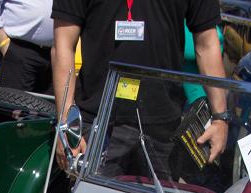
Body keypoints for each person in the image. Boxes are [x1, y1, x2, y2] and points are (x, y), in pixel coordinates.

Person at [50, 0, 228, 175]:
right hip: (100, 121)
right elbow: (63, 45)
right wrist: (66, 126)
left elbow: (207, 44)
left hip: (163, 126)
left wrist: (220, 118)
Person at [0, 0, 55, 93]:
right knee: (14, 101)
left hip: (55, 53)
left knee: (52, 102)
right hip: (19, 50)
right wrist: (4, 44)